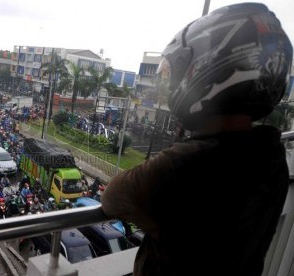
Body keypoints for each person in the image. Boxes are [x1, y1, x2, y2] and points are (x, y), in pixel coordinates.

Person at [101, 3, 291, 276]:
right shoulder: (272, 157)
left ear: (205, 68)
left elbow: (112, 199)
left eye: (178, 70)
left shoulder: (182, 167)